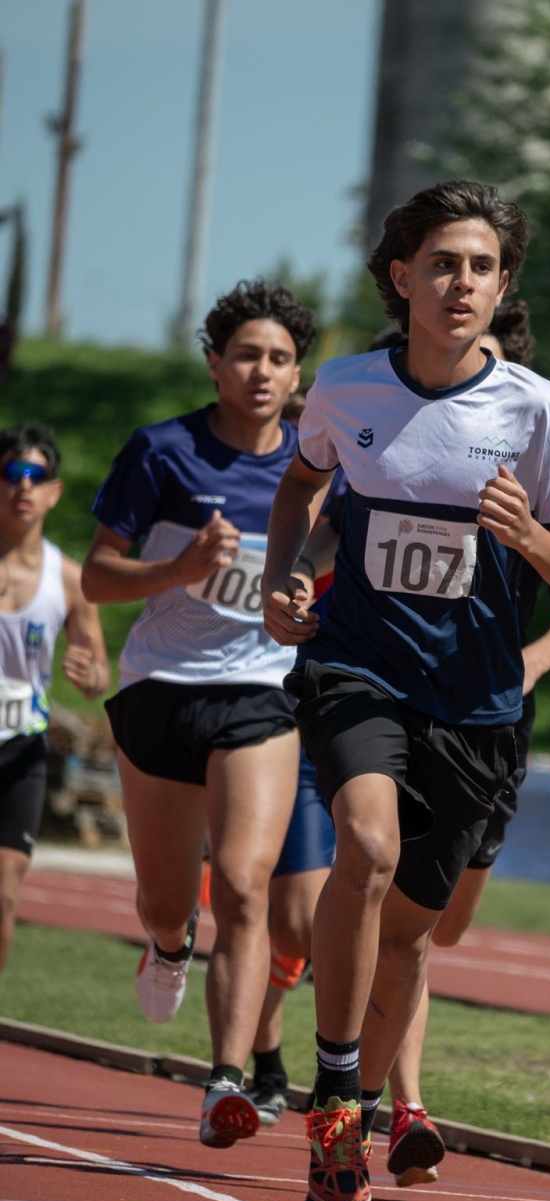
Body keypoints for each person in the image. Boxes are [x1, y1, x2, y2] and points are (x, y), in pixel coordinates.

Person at [261, 180, 550, 1201]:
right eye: (443, 263)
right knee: (362, 843)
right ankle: (337, 1102)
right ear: (400, 276)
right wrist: (288, 574)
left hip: (478, 700)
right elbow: (302, 490)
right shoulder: (348, 388)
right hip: (360, 667)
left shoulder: (538, 410)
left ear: (505, 287)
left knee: (411, 932)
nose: (462, 283)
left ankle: (360, 1078)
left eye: (483, 267)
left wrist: (527, 537)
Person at [81, 279, 317, 1148]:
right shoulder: (162, 453)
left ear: (299, 376)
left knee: (246, 886)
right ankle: (167, 944)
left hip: (259, 693)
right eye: (247, 355)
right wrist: (177, 572)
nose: (262, 372)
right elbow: (98, 577)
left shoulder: (312, 465)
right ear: (216, 364)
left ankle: (227, 1078)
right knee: (166, 898)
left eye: (281, 359)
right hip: (159, 690)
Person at [382, 297, 550, 1187]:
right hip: (391, 696)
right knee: (390, 904)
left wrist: (532, 662)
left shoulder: (539, 442)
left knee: (440, 924)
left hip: (492, 713)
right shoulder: (395, 436)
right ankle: (400, 1104)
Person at [0, 425, 109, 974]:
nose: (23, 485)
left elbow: (98, 677)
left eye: (35, 475)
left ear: (53, 490)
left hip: (20, 752)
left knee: (4, 891)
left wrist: (87, 672)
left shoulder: (66, 577)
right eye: (12, 473)